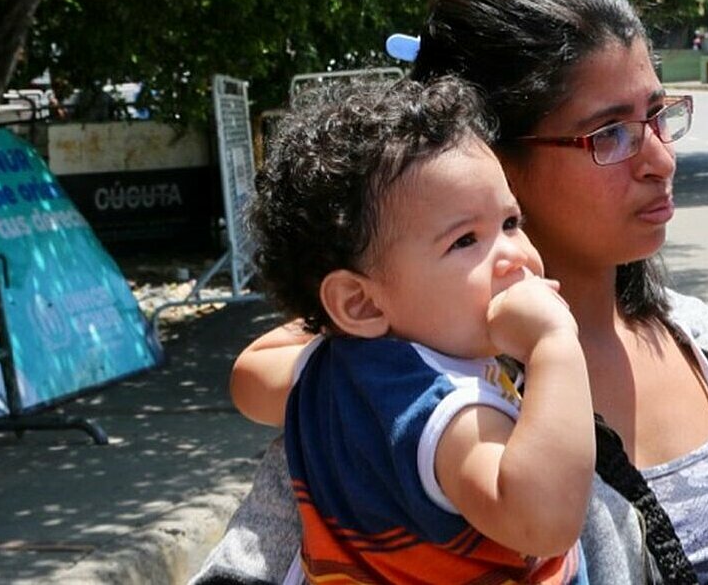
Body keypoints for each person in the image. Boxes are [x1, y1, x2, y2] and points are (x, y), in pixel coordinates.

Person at [195, 0, 708, 585]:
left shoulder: (706, 345)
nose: (660, 159)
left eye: (657, 116)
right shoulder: (408, 403)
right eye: (607, 133)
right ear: (489, 156)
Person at [242, 78, 592, 583]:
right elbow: (543, 522)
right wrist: (554, 345)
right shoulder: (450, 410)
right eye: (466, 240)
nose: (514, 256)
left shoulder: (332, 373)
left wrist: (353, 317)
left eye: (511, 223)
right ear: (358, 301)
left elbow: (249, 374)